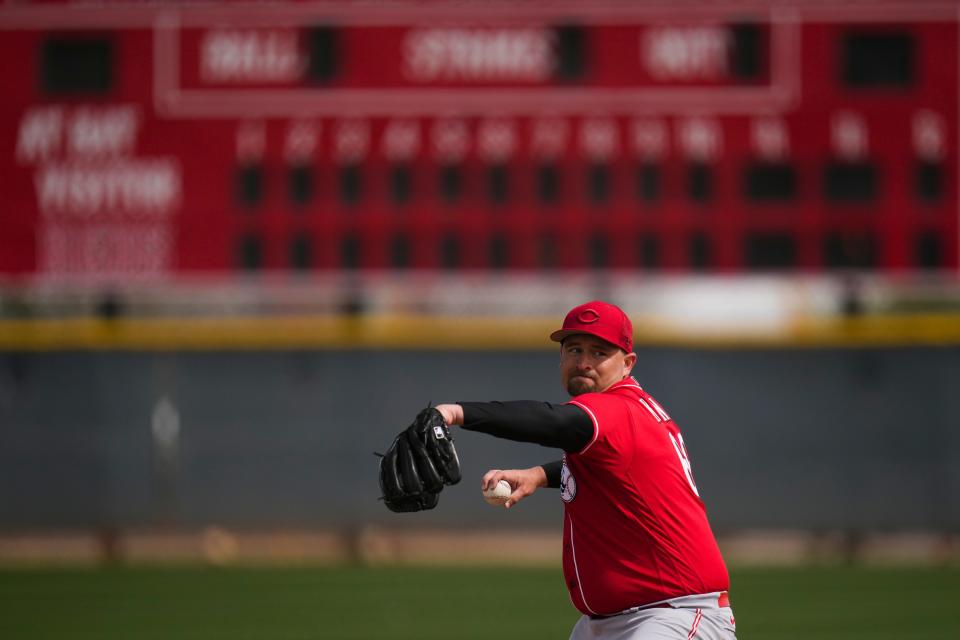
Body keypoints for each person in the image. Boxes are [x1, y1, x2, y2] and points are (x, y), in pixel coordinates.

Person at [434, 300, 736, 640]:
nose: (584, 362)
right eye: (574, 350)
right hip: (616, 621)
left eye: (599, 352)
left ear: (627, 363)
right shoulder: (631, 413)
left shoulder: (615, 408)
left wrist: (454, 413)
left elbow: (552, 421)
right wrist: (539, 474)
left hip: (672, 616)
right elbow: (614, 469)